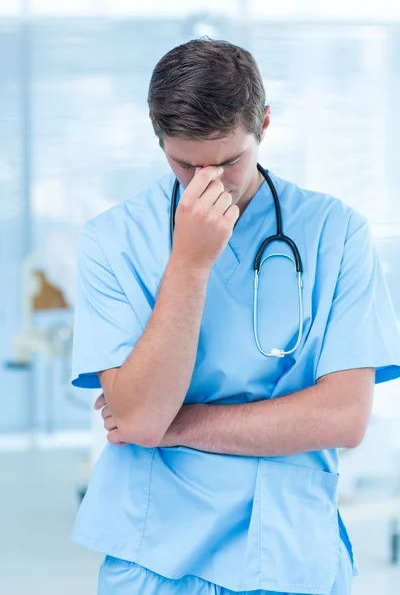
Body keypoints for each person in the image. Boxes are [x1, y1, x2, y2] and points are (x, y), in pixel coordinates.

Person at [70, 39, 400, 595]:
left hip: (289, 553)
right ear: (159, 139)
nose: (207, 184)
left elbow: (344, 417)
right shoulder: (113, 241)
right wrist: (191, 264)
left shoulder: (337, 232)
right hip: (154, 559)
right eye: (184, 164)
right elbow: (141, 419)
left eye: (227, 162)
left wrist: (176, 426)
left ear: (264, 124)